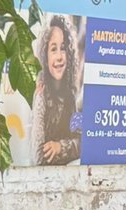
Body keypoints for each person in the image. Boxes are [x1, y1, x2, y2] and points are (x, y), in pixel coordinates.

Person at [29, 15, 81, 166]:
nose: (59, 57)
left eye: (63, 48)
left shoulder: (70, 97)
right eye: (53, 49)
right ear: (45, 57)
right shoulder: (41, 94)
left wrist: (59, 148)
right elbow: (38, 157)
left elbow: (82, 144)